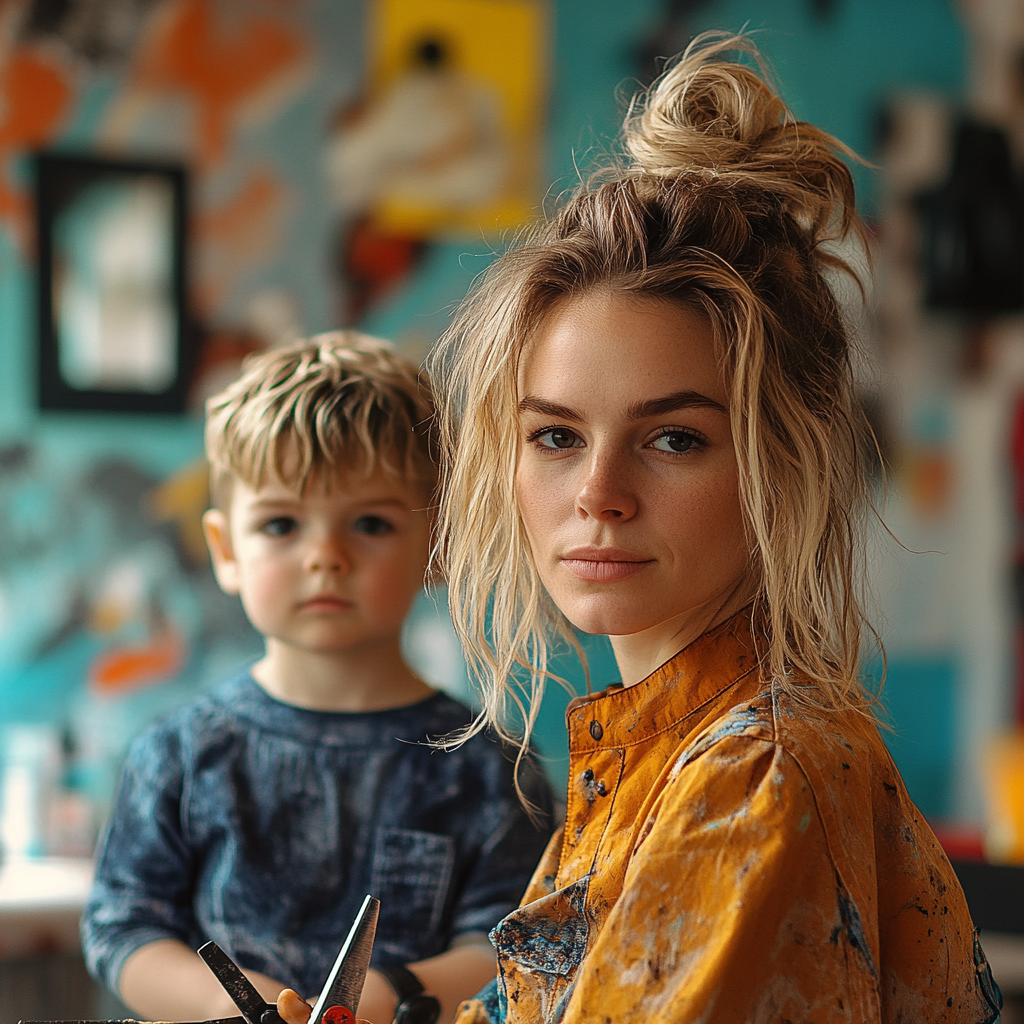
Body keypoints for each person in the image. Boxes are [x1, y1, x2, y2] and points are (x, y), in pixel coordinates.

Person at [290, 34, 1001, 1024]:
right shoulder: (657, 754)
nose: (599, 493)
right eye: (555, 436)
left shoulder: (755, 780)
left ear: (776, 467)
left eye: (672, 438)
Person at [81, 334, 553, 1024]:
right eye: (280, 524)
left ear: (438, 544)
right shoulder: (176, 753)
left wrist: (389, 994)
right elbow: (123, 930)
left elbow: (512, 944)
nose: (325, 557)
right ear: (225, 551)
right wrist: (229, 1004)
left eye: (369, 522)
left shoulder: (490, 768)